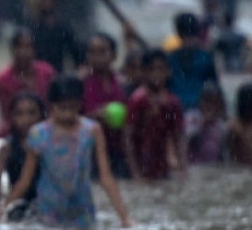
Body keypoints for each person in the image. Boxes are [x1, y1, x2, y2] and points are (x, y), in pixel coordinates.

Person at [0, 76, 132, 229]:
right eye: (62, 108)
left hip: (82, 210)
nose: (67, 114)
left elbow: (105, 176)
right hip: (48, 209)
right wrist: (1, 215)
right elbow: (25, 180)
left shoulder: (91, 130)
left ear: (80, 104)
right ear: (52, 105)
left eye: (72, 108)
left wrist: (124, 218)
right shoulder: (39, 133)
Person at [125, 50, 186, 181]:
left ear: (168, 72)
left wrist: (183, 170)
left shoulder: (172, 103)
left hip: (163, 166)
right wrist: (135, 174)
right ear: (143, 72)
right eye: (151, 69)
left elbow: (178, 137)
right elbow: (128, 138)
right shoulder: (137, 101)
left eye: (161, 69)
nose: (156, 74)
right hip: (141, 164)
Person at [0, 93, 46, 221]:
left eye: (32, 113)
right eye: (19, 114)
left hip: (46, 204)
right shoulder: (7, 148)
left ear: (42, 116)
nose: (26, 119)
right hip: (19, 205)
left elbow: (24, 183)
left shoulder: (48, 145)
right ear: (12, 118)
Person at [81, 32, 129, 178]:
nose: (96, 57)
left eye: (102, 52)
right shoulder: (81, 83)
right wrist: (96, 116)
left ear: (113, 55)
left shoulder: (123, 83)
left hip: (119, 148)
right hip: (90, 150)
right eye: (92, 52)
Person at [0, 28, 56, 138]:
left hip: (48, 127)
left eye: (28, 47)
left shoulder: (47, 72)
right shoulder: (2, 79)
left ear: (34, 50)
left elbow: (54, 106)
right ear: (12, 50)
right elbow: (7, 115)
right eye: (19, 47)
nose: (23, 52)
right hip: (15, 129)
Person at [167, 12, 220, 114]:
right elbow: (216, 87)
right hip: (194, 109)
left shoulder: (170, 58)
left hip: (180, 109)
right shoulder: (206, 58)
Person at [29, 0, 82, 72]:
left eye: (47, 1)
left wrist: (78, 66)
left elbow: (74, 50)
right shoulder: (35, 27)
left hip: (56, 70)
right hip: (38, 72)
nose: (44, 4)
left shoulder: (62, 28)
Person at [187, 82, 228, 165]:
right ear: (200, 101)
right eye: (207, 101)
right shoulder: (191, 118)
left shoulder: (221, 124)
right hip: (194, 166)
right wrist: (203, 124)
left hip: (214, 167)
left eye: (214, 102)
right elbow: (186, 142)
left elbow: (224, 153)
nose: (210, 106)